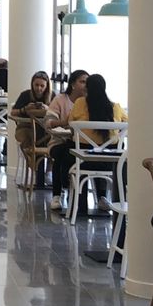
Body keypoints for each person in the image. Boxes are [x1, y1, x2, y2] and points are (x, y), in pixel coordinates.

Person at [54, 72, 125, 213]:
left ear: (87, 88)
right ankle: (103, 197)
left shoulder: (80, 104)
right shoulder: (115, 107)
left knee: (64, 152)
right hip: (109, 162)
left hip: (82, 160)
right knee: (109, 148)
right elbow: (126, 122)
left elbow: (71, 124)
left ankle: (65, 195)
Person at [10, 70, 54, 182]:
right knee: (29, 140)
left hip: (47, 130)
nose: (39, 88)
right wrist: (25, 109)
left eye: (42, 86)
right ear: (32, 84)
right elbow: (13, 112)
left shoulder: (53, 96)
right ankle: (35, 168)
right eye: (36, 85)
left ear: (47, 86)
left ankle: (49, 170)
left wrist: (48, 110)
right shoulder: (25, 95)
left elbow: (59, 114)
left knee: (56, 141)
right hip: (27, 127)